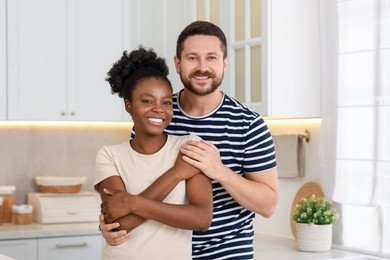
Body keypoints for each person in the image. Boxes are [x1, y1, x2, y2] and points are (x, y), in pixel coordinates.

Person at [99, 21, 279, 259]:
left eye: (212, 58)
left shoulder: (249, 125)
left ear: (225, 63)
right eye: (193, 58)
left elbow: (268, 205)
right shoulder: (157, 113)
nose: (202, 68)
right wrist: (110, 226)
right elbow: (131, 193)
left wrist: (219, 171)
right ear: (178, 63)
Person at [94, 46, 213, 259]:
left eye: (166, 102)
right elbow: (118, 224)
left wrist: (132, 203)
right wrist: (175, 174)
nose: (159, 109)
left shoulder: (189, 147)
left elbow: (201, 219)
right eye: (147, 101)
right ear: (129, 105)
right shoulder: (109, 155)